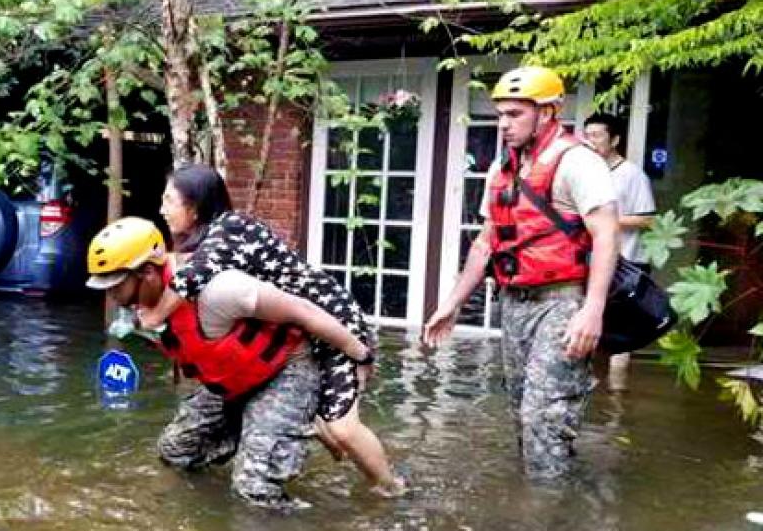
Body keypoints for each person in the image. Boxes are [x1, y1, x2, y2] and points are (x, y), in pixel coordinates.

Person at [135, 165, 404, 497]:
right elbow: (186, 267)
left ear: (195, 207)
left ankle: (391, 489)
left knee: (344, 427)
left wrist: (362, 353)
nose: (162, 209)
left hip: (333, 320)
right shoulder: (212, 238)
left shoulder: (231, 228)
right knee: (330, 422)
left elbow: (190, 278)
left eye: (169, 200)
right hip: (303, 327)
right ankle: (314, 425)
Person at [86, 216, 373, 509]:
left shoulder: (218, 290)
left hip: (286, 370)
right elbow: (191, 354)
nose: (113, 298)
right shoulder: (149, 309)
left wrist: (361, 354)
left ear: (147, 272)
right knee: (176, 452)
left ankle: (289, 465)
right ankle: (267, 437)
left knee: (254, 487)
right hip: (234, 382)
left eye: (116, 288)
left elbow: (304, 311)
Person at [422, 66, 620, 481]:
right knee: (521, 416)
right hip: (514, 303)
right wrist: (451, 306)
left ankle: (549, 509)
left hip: (563, 301)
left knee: (544, 418)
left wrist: (592, 310)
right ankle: (542, 499)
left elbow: (606, 235)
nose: (503, 124)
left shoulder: (577, 162)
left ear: (547, 112)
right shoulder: (502, 171)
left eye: (514, 114)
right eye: (500, 114)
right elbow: (484, 243)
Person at [583, 113, 657, 392]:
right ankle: (597, 392)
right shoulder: (586, 174)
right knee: (593, 329)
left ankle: (616, 396)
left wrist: (606, 220)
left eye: (597, 135)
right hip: (591, 261)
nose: (590, 141)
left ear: (614, 139)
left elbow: (647, 219)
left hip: (627, 262)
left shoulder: (632, 174)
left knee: (619, 333)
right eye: (587, 135)